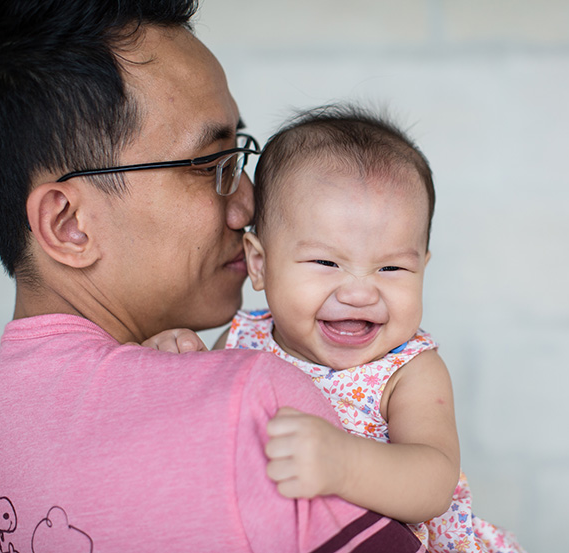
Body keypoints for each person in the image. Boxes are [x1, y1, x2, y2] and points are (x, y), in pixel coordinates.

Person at [0, 2, 425, 552]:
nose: (247, 205)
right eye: (209, 165)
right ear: (69, 225)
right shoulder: (253, 401)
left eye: (240, 158)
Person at [145, 106, 526, 553]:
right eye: (327, 263)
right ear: (260, 263)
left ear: (423, 267)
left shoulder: (407, 369)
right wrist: (174, 365)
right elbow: (203, 433)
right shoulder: (240, 340)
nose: (360, 293)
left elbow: (433, 482)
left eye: (392, 267)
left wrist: (343, 464)